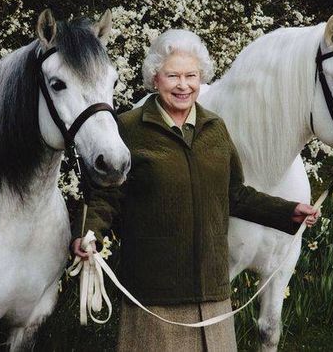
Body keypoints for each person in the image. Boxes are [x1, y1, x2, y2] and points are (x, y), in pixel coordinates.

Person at [71, 29, 319, 351]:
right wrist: (89, 233)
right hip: (155, 295)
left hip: (212, 292)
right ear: (155, 78)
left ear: (201, 79)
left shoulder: (215, 128)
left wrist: (287, 211)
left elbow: (234, 194)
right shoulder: (129, 128)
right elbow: (107, 196)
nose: (183, 85)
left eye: (191, 75)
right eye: (172, 75)